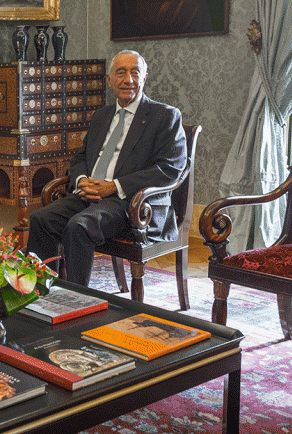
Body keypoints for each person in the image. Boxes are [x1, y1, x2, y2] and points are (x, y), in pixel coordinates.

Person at [26, 50, 187, 286]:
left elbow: (170, 169)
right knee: (41, 219)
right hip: (90, 194)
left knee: (79, 227)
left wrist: (113, 187)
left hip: (132, 203)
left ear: (145, 78)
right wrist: (81, 180)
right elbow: (81, 156)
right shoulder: (102, 115)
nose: (128, 80)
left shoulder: (165, 116)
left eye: (135, 73)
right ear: (109, 80)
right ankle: (40, 291)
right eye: (121, 73)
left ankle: (77, 299)